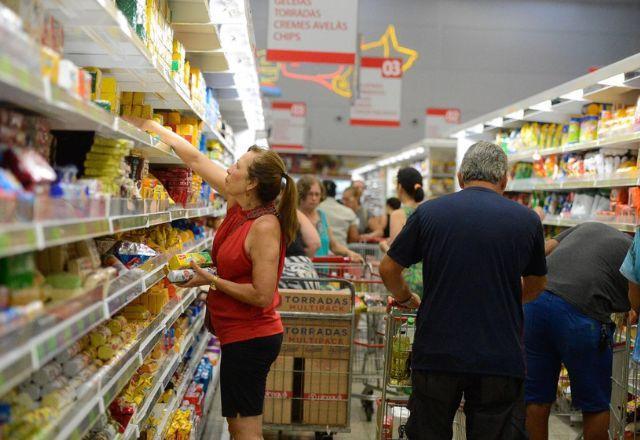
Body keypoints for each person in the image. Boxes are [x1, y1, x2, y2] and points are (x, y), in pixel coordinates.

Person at [124, 116, 297, 440]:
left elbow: (262, 294)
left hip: (252, 338)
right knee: (236, 427)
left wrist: (212, 281)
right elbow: (196, 159)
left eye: (237, 166)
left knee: (246, 432)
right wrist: (154, 126)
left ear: (251, 184)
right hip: (236, 335)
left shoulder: (264, 227)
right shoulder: (239, 204)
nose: (229, 169)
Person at [379, 141, 547, 439]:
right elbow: (536, 284)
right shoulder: (527, 221)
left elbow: (388, 268)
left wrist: (406, 297)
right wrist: (504, 299)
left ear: (460, 177)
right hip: (500, 355)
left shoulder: (429, 213)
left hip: (437, 352)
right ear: (505, 180)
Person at [525, 222, 631, 440]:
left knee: (535, 397)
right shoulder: (632, 251)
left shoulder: (587, 226)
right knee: (596, 403)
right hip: (580, 315)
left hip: (535, 304)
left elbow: (543, 249)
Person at [380, 167, 425, 297]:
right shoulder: (428, 211)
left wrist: (383, 246)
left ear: (399, 187)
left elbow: (396, 251)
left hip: (407, 278)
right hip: (427, 276)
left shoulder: (398, 214)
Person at [297, 175, 363, 262]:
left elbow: (334, 246)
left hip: (323, 270)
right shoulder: (294, 216)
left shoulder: (321, 216)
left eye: (317, 194)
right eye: (310, 194)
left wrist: (349, 253)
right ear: (301, 194)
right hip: (301, 271)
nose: (314, 198)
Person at [279, 209, 321, 290]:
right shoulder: (292, 211)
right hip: (308, 274)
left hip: (282, 273)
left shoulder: (263, 214)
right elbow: (314, 243)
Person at [318, 179, 359, 246]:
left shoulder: (315, 210)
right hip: (342, 252)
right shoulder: (349, 212)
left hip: (320, 252)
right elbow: (353, 237)